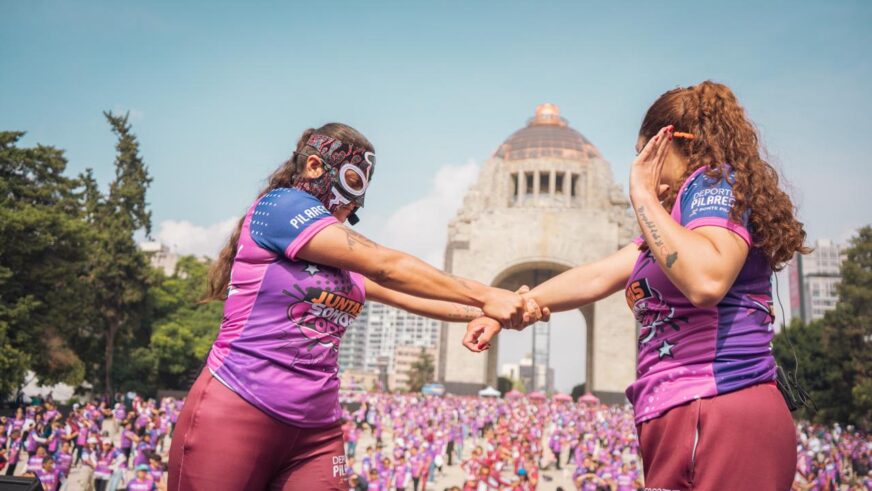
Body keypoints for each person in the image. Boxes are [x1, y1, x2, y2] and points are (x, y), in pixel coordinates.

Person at [465, 81, 807, 490]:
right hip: (683, 410)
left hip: (717, 404)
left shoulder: (713, 184)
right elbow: (600, 274)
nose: (642, 167)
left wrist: (642, 195)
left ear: (661, 144)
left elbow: (706, 280)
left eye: (642, 154)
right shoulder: (675, 217)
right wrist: (510, 308)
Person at [168, 123, 547, 491]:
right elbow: (387, 266)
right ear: (314, 166)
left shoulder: (341, 261)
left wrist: (490, 315)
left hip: (317, 430)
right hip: (239, 407)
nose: (353, 205)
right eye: (351, 185)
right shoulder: (279, 207)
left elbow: (410, 296)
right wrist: (487, 295)